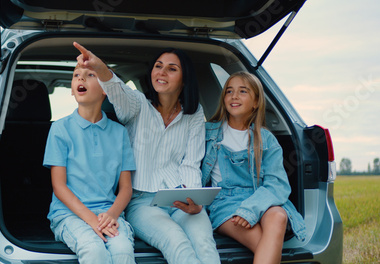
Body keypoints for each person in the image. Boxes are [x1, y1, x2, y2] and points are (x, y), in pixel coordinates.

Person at [74, 42, 221, 264]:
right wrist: (98, 66)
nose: (161, 72)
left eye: (172, 69)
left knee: (205, 245)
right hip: (142, 202)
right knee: (177, 242)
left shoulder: (193, 113)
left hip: (181, 196)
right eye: (158, 66)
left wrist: (195, 200)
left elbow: (191, 162)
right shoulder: (138, 104)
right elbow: (116, 87)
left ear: (184, 79)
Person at [201, 72, 306, 264]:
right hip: (225, 202)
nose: (234, 96)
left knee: (279, 216)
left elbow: (277, 184)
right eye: (229, 91)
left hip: (260, 197)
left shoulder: (266, 140)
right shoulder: (208, 133)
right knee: (264, 246)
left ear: (256, 102)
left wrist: (250, 209)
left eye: (243, 91)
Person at [43, 65, 136, 264]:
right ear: (72, 88)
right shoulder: (60, 129)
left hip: (108, 213)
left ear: (106, 89)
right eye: (76, 75)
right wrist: (92, 221)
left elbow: (126, 188)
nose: (80, 79)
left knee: (123, 250)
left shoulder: (119, 133)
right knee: (94, 250)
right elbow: (59, 186)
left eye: (90, 75)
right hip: (69, 215)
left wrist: (111, 215)